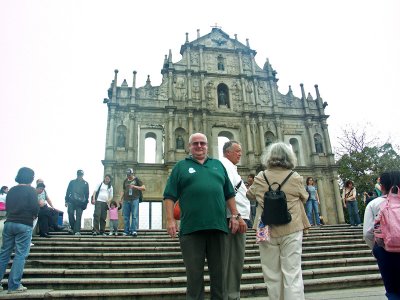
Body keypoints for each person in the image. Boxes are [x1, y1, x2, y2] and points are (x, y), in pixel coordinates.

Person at [163, 132, 240, 300]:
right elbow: (169, 196)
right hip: (191, 229)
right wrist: (170, 221)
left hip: (218, 228)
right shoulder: (180, 167)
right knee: (194, 276)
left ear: (207, 145)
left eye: (202, 143)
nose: (199, 146)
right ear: (189, 146)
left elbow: (229, 194)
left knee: (220, 277)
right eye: (195, 143)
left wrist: (235, 215)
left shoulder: (218, 165)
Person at [247, 142, 310, 300]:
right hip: (291, 227)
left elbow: (250, 195)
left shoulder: (261, 177)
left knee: (271, 273)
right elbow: (305, 196)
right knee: (292, 273)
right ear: (289, 157)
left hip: (264, 228)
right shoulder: (295, 177)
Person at [0, 167, 39, 294]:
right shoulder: (31, 191)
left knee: (4, 254)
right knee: (20, 255)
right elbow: (35, 208)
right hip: (24, 224)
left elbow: (8, 207)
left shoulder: (11, 191)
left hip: (9, 223)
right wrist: (33, 215)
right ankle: (14, 285)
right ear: (30, 178)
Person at [363, 171, 400, 299]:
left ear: (382, 186)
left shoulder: (374, 204)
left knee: (393, 290)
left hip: (385, 250)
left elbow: (368, 233)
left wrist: (375, 249)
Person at [220, 140, 250, 299]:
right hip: (234, 219)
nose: (240, 154)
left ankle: (230, 293)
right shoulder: (225, 166)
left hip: (236, 217)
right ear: (227, 152)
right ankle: (230, 295)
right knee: (233, 260)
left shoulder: (230, 167)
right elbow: (227, 191)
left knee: (234, 259)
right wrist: (235, 215)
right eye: (237, 151)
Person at [121, 168, 145, 237]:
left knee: (134, 216)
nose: (128, 176)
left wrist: (134, 186)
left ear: (132, 173)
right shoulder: (125, 181)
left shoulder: (137, 180)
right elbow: (124, 190)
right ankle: (126, 231)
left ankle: (133, 230)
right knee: (126, 216)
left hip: (135, 199)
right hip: (126, 200)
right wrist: (121, 199)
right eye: (127, 175)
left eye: (129, 175)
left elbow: (144, 188)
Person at [65, 170, 89, 235]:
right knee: (70, 213)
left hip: (80, 202)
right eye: (78, 174)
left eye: (81, 174)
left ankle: (77, 231)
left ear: (82, 175)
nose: (79, 176)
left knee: (78, 216)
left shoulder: (85, 183)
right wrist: (66, 200)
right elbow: (68, 191)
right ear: (77, 174)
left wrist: (86, 203)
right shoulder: (72, 182)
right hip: (71, 201)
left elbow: (87, 194)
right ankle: (73, 228)